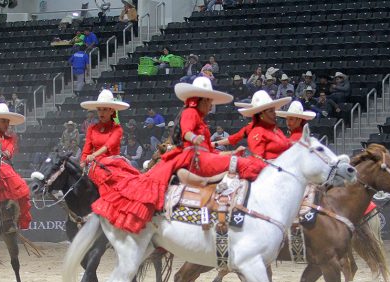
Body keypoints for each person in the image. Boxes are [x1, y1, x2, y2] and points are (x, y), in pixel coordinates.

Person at [90, 78, 267, 234]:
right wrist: (194, 138)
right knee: (245, 165)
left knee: (238, 161)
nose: (211, 105)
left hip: (202, 156)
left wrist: (230, 152)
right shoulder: (190, 112)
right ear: (201, 100)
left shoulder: (199, 116)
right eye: (209, 101)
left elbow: (210, 150)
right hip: (194, 158)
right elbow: (186, 133)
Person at [215, 90, 293, 160]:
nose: (275, 114)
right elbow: (235, 138)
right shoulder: (256, 130)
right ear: (261, 114)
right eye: (271, 111)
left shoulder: (275, 129)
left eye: (274, 110)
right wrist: (215, 143)